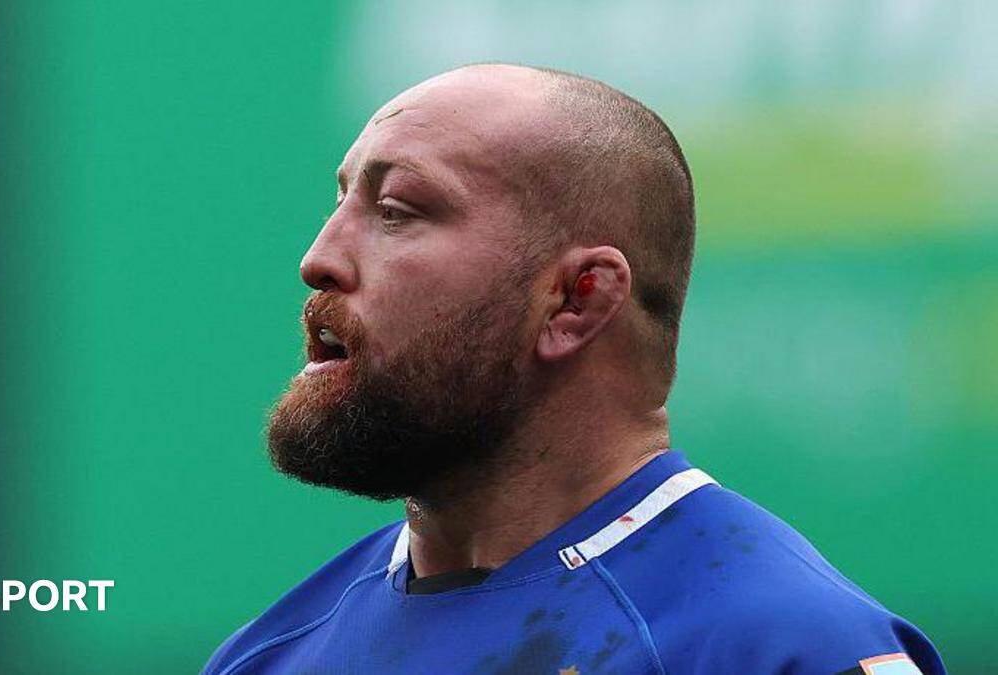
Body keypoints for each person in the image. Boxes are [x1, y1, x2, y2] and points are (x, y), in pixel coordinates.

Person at [203, 63, 944, 674]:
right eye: (340, 203)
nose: (319, 259)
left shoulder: (782, 647)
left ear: (575, 300)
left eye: (396, 209)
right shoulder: (269, 656)